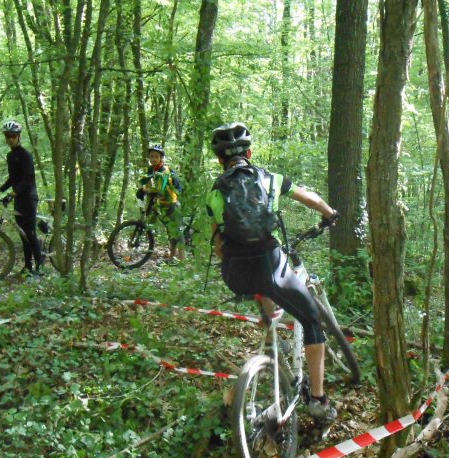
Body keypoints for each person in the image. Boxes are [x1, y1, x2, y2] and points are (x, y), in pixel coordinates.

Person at [205, 122, 340, 421]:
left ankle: (268, 322)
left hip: (234, 273)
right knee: (311, 320)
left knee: (258, 283)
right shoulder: (271, 179)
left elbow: (218, 245)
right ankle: (318, 400)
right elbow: (310, 198)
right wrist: (329, 214)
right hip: (270, 266)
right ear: (250, 153)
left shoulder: (215, 192)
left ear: (220, 160)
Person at [0, 120, 43, 276]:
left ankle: (40, 267)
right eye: (7, 136)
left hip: (29, 198)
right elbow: (13, 179)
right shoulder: (10, 155)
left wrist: (13, 194)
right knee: (23, 234)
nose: (10, 139)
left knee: (30, 233)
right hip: (18, 198)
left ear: (19, 137)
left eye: (12, 136)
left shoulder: (26, 155)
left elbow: (27, 179)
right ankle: (27, 267)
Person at [136, 144, 185, 262]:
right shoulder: (151, 169)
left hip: (172, 204)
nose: (153, 159)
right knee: (170, 231)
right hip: (161, 203)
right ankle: (171, 257)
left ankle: (182, 259)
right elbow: (145, 181)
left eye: (156, 157)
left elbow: (159, 189)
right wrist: (142, 187)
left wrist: (144, 190)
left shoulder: (165, 170)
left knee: (177, 231)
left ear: (161, 158)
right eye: (151, 156)